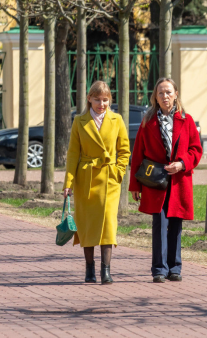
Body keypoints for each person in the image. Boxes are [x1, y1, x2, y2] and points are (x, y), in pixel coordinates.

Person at [129, 78, 203, 283]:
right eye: (160, 93)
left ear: (176, 94)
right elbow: (137, 154)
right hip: (155, 181)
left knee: (176, 224)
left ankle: (175, 268)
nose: (165, 96)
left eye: (168, 92)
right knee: (159, 224)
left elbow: (196, 150)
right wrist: (134, 185)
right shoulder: (148, 121)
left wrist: (182, 164)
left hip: (179, 180)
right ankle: (159, 270)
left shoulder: (186, 120)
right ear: (155, 97)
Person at [63, 81, 130, 284]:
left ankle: (106, 270)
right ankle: (89, 269)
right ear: (89, 98)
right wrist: (68, 183)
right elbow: (73, 154)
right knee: (88, 226)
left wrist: (118, 172)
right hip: (87, 180)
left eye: (106, 99)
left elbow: (125, 150)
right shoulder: (79, 121)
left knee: (108, 224)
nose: (102, 104)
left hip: (109, 180)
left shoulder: (116, 120)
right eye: (98, 99)